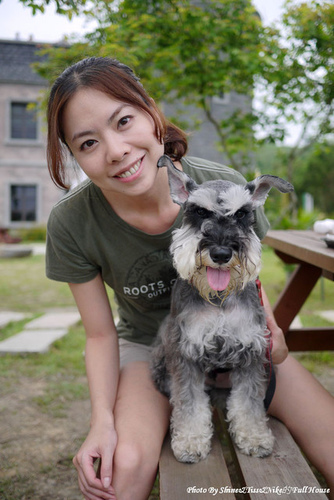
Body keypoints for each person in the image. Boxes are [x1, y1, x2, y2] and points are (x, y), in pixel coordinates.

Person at [46, 57, 334, 500]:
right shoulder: (73, 221)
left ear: (150, 111)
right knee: (123, 471)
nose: (116, 149)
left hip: (238, 330)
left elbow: (250, 278)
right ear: (74, 155)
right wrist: (100, 423)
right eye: (88, 143)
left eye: (124, 120)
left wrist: (271, 331)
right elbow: (100, 335)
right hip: (149, 347)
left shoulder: (226, 185)